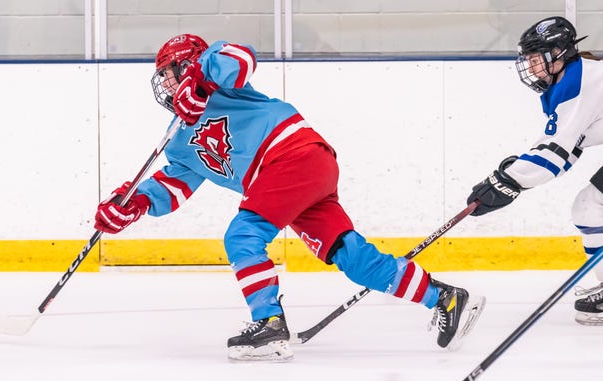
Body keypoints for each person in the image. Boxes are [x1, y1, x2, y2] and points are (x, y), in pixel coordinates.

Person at [94, 33, 485, 360]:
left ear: (188, 65)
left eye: (170, 73)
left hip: (292, 155)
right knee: (351, 257)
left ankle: (268, 324)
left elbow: (241, 59)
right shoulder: (178, 140)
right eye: (162, 77)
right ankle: (446, 299)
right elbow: (173, 185)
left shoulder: (218, 75)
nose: (165, 83)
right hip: (294, 179)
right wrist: (133, 203)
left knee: (242, 235)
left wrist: (202, 77)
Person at [466, 16, 603, 325]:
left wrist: (507, 181)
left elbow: (553, 153)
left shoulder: (578, 81)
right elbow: (566, 153)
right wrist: (511, 179)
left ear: (557, 54)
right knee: (588, 208)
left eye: (534, 58)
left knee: (591, 207)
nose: (530, 66)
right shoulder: (577, 78)